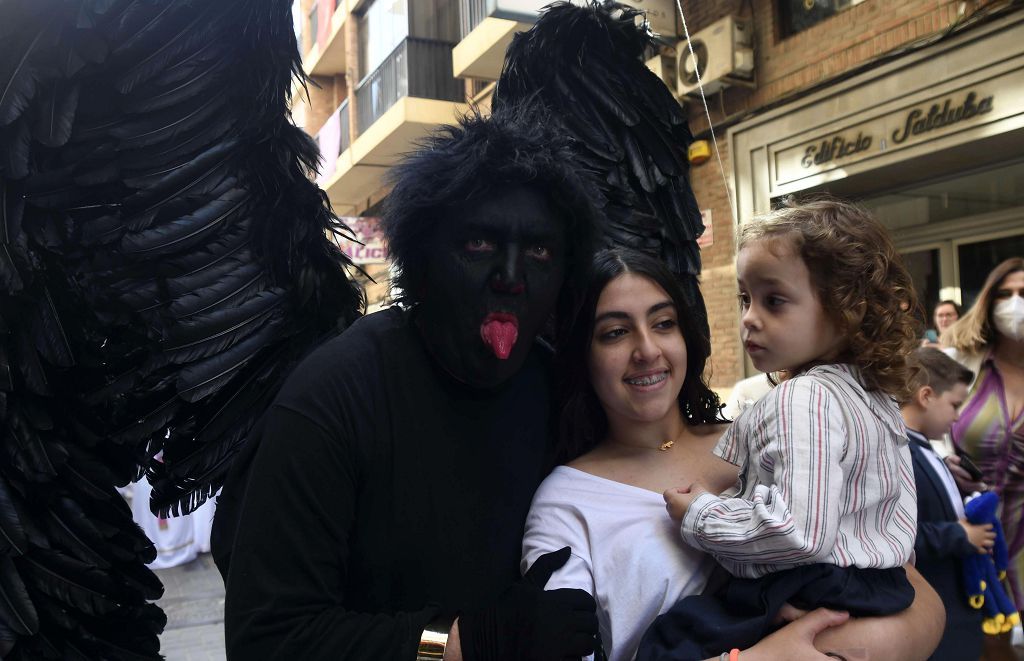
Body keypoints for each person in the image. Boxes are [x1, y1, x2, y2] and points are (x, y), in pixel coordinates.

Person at [219, 110, 604, 660]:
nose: (511, 277)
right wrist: (464, 643)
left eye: (539, 252)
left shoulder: (564, 389)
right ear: (423, 259)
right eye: (478, 245)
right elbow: (268, 638)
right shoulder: (334, 396)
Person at [522, 246, 944, 661]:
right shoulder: (567, 502)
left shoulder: (777, 438)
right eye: (615, 332)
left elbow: (914, 593)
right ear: (582, 353)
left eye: (664, 323)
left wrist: (839, 649)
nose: (647, 350)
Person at [651, 199, 921, 658]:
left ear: (845, 310)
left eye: (774, 300)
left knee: (673, 638)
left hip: (815, 583)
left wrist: (700, 513)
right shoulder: (872, 396)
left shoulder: (806, 397)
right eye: (745, 298)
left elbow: (800, 531)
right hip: (878, 587)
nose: (750, 318)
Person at [942, 256, 1024, 660]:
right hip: (968, 533)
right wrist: (943, 464)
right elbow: (918, 423)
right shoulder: (961, 358)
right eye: (1005, 295)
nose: (1015, 304)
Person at [901, 347, 986, 660]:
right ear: (926, 396)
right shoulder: (900, 454)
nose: (958, 416)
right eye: (954, 404)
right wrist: (959, 535)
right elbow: (898, 533)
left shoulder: (928, 451)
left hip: (956, 612)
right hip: (937, 614)